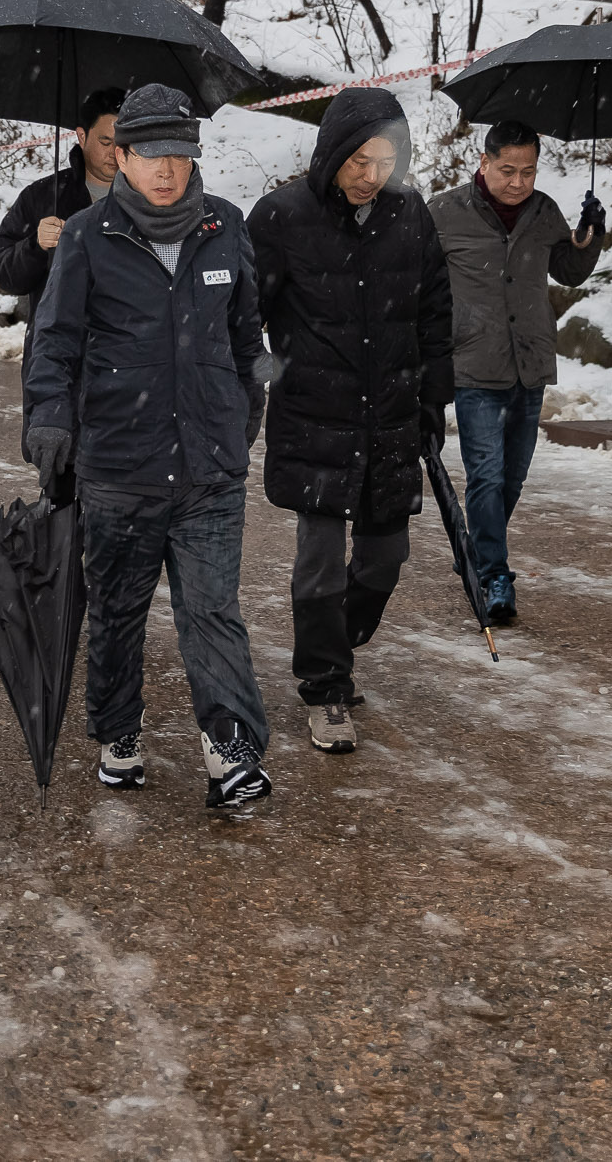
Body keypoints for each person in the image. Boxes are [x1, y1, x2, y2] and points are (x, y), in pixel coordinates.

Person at [23, 84, 273, 809]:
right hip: (119, 466)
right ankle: (119, 732)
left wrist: (240, 415)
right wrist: (48, 421)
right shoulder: (87, 237)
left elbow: (247, 339)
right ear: (121, 156)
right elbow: (55, 344)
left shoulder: (224, 226)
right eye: (153, 153)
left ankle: (231, 752)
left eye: (182, 153)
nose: (169, 168)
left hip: (208, 470)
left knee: (212, 609)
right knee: (119, 609)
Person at [250, 88, 454, 755]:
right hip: (316, 414)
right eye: (361, 160)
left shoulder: (410, 216)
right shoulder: (281, 217)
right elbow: (242, 314)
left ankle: (333, 637)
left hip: (391, 416)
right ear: (333, 151)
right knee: (319, 559)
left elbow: (434, 315)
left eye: (386, 160)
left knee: (385, 557)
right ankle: (326, 686)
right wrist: (263, 374)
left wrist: (431, 399)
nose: (372, 175)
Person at [427, 120, 602, 623]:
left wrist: (590, 234)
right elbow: (418, 282)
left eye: (528, 171)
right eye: (508, 170)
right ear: (483, 162)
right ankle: (494, 574)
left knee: (512, 478)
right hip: (475, 361)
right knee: (485, 474)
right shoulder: (444, 213)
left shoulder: (545, 211)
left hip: (530, 362)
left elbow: (568, 271)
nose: (519, 181)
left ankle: (481, 553)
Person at [0, 86, 125, 498]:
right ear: (80, 137)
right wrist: (35, 245)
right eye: (105, 140)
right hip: (61, 368)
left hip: (124, 371)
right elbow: (2, 272)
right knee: (62, 514)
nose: (115, 151)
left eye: (124, 142)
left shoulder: (145, 202)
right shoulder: (42, 198)